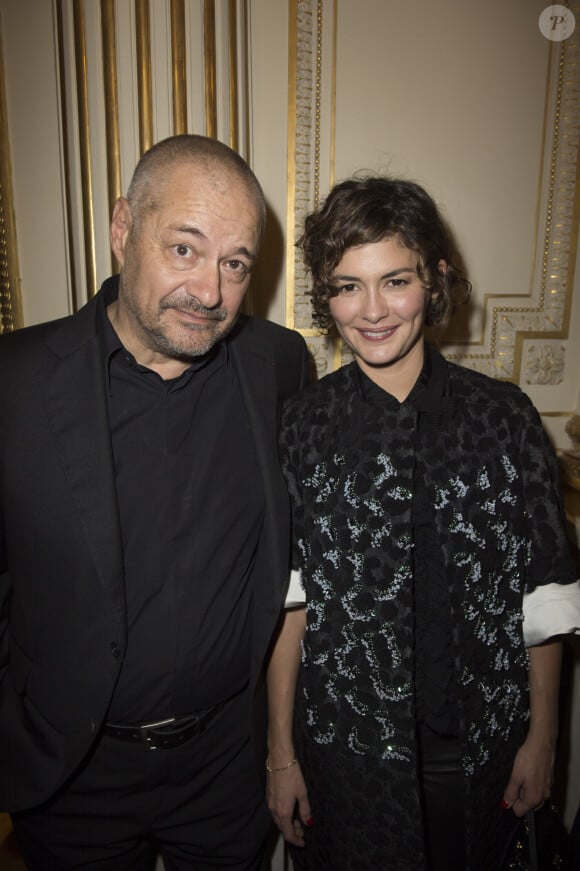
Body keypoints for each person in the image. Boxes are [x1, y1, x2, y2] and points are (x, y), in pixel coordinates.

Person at [0, 134, 309, 869]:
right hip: (73, 775)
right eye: (184, 249)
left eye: (235, 264)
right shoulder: (12, 383)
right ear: (121, 229)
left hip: (224, 773)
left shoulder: (278, 365)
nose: (210, 292)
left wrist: (276, 748)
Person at [266, 176, 580, 870]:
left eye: (394, 281)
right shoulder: (301, 427)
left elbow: (545, 594)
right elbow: (290, 609)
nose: (371, 310)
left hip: (482, 752)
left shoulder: (504, 418)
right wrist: (280, 754)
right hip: (344, 762)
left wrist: (544, 737)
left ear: (434, 280)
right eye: (347, 286)